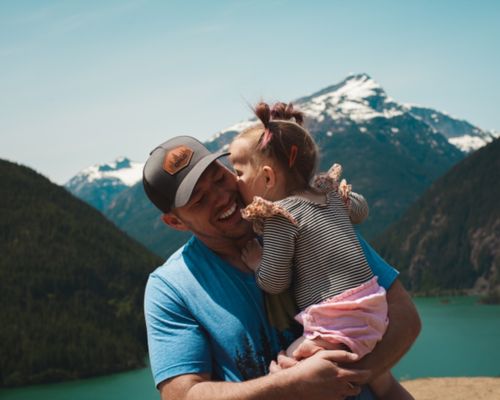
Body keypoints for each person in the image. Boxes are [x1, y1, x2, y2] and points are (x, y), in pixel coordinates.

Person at [143, 134, 421, 400]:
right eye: (200, 200)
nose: (221, 197)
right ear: (175, 222)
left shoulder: (306, 215)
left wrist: (349, 375)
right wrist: (291, 387)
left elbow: (405, 315)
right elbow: (182, 394)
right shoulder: (170, 288)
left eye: (219, 177)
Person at [229, 101, 412, 399]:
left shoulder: (280, 216)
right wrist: (343, 202)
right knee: (384, 383)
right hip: (374, 307)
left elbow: (276, 282)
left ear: (267, 177)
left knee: (287, 370)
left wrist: (257, 263)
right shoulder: (327, 193)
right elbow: (361, 211)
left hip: (336, 321)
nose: (234, 181)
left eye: (238, 172)